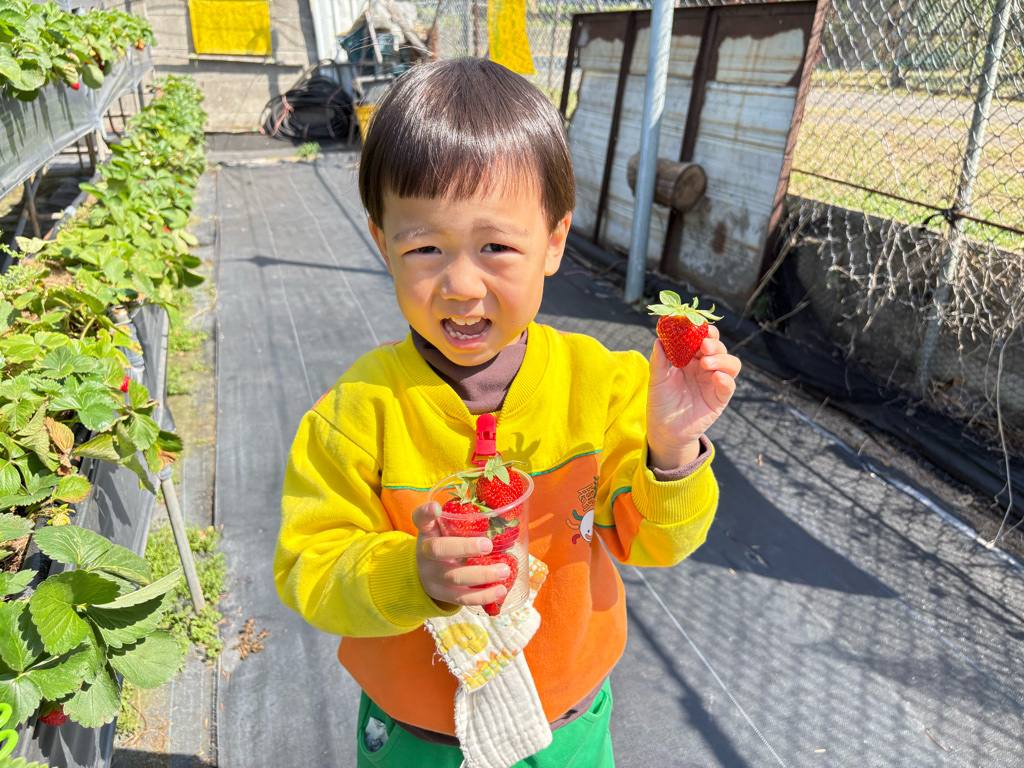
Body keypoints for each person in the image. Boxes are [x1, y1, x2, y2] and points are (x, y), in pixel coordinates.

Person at [273, 57, 742, 767]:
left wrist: (673, 449)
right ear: (382, 244)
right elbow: (309, 567)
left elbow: (655, 543)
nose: (462, 285)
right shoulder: (357, 413)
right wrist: (412, 574)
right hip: (417, 737)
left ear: (553, 241)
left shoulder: (602, 384)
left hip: (566, 728)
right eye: (425, 247)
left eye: (496, 246)